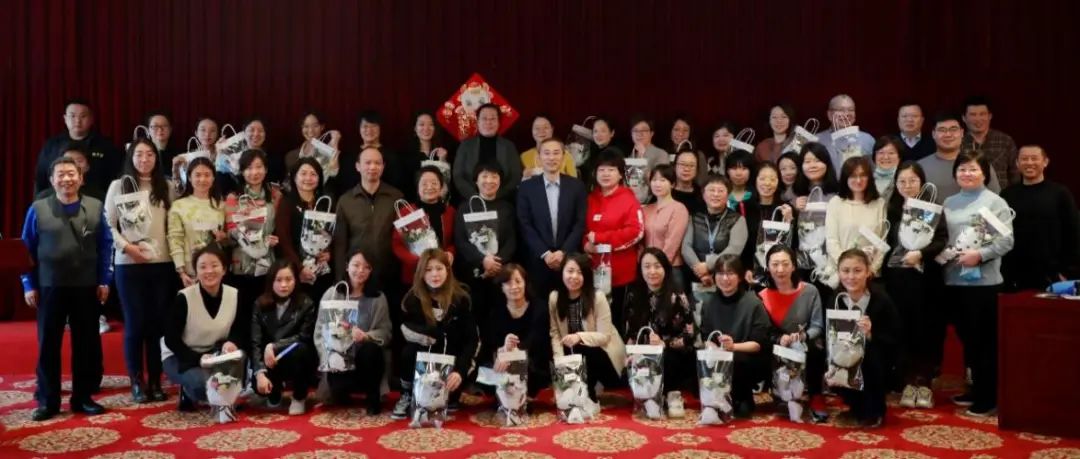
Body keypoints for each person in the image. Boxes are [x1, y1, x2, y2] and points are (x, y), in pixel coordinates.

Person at [21, 156, 112, 421]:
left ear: (81, 178)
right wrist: (28, 284)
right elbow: (25, 249)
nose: (66, 179)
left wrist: (104, 280)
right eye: (60, 174)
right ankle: (48, 400)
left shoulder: (95, 207)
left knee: (86, 343)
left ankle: (82, 397)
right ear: (52, 180)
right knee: (48, 344)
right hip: (49, 285)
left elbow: (106, 245)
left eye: (71, 174)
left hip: (86, 285)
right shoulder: (38, 209)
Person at [941, 150, 1014, 416]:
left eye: (973, 169)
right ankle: (975, 389)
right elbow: (944, 238)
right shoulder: (949, 202)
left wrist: (980, 255)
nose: (967, 173)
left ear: (984, 173)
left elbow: (1006, 241)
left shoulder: (994, 202)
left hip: (984, 283)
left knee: (985, 342)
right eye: (962, 169)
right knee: (968, 340)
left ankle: (988, 397)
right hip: (953, 281)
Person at [105, 138, 174, 403]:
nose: (144, 159)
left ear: (157, 158)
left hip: (161, 263)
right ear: (131, 157)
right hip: (129, 264)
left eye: (149, 154)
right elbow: (107, 225)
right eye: (139, 154)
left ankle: (156, 380)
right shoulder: (118, 186)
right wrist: (127, 247)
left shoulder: (166, 187)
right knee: (135, 324)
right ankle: (136, 380)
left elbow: (173, 223)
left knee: (157, 325)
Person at [883, 161, 948, 409]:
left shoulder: (932, 209)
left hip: (926, 281)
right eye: (902, 181)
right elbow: (886, 243)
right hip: (897, 281)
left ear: (921, 182)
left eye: (912, 180)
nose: (907, 185)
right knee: (902, 330)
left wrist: (921, 254)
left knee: (926, 330)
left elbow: (941, 239)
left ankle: (924, 382)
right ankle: (907, 382)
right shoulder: (891, 210)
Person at [391, 249, 479, 419]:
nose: (434, 274)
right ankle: (407, 394)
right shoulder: (412, 299)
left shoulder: (462, 298)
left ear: (447, 269)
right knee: (408, 351)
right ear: (421, 273)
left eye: (439, 268)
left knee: (450, 396)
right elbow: (402, 335)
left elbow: (472, 341)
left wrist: (460, 371)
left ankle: (451, 394)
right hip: (423, 366)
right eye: (428, 269)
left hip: (452, 366)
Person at [161, 244, 246, 420]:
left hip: (215, 354)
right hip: (181, 356)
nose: (209, 271)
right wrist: (197, 359)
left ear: (224, 269)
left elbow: (239, 328)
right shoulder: (184, 298)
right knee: (203, 386)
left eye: (214, 265)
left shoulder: (234, 295)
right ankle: (188, 391)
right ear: (196, 271)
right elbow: (171, 339)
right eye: (203, 267)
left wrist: (232, 342)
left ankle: (220, 396)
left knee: (240, 366)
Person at [831, 249, 900, 428]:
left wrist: (870, 334)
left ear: (868, 272)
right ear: (838, 272)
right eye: (845, 271)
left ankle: (875, 410)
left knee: (869, 356)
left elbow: (894, 337)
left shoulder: (881, 299)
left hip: (878, 354)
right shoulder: (836, 298)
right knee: (835, 361)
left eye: (857, 271)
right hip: (845, 353)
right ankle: (855, 406)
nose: (851, 277)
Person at [758, 245, 827, 422]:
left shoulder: (810, 291)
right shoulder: (761, 295)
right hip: (778, 344)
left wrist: (803, 336)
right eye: (775, 264)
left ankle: (816, 396)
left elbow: (818, 325)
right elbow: (764, 330)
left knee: (816, 349)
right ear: (768, 267)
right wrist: (780, 339)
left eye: (785, 264)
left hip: (804, 342)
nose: (780, 270)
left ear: (794, 266)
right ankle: (780, 393)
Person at [223, 149, 283, 350]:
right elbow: (229, 234)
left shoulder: (275, 196)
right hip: (242, 266)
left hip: (267, 266)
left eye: (258, 167)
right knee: (243, 318)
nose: (254, 172)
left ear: (266, 170)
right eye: (248, 168)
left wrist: (273, 239)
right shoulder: (233, 197)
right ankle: (243, 362)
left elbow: (281, 228)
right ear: (241, 171)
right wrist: (244, 230)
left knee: (266, 319)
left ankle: (265, 361)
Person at [698, 254, 771, 418]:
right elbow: (705, 336)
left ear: (740, 276)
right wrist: (713, 348)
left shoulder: (753, 302)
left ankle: (742, 398)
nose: (725, 278)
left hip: (746, 356)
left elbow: (759, 343)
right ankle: (718, 398)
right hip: (719, 358)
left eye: (730, 273)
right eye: (720, 273)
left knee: (737, 360)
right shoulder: (710, 302)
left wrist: (733, 347)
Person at [625, 248, 698, 410]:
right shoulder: (633, 293)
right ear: (640, 269)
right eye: (647, 266)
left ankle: (670, 393)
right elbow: (631, 331)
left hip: (673, 352)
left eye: (657, 266)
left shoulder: (677, 295)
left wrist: (664, 343)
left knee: (667, 359)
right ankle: (648, 395)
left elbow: (690, 335)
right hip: (643, 352)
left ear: (665, 268)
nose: (652, 271)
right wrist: (629, 353)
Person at [548, 253, 626, 400]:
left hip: (602, 354)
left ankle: (589, 395)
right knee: (558, 351)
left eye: (580, 272)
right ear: (562, 272)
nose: (574, 276)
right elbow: (555, 333)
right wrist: (559, 360)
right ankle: (576, 392)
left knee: (584, 348)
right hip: (572, 353)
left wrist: (579, 337)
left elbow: (604, 337)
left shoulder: (597, 297)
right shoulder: (554, 298)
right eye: (570, 271)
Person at [323, 249, 392, 414]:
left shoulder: (378, 298)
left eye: (366, 267)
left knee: (371, 350)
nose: (361, 270)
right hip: (339, 358)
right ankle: (340, 391)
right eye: (356, 265)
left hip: (365, 359)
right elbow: (320, 329)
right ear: (347, 266)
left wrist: (366, 336)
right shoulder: (333, 293)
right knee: (338, 395)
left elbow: (386, 332)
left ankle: (373, 398)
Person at [1001, 146, 1080, 289]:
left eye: (1034, 158)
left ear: (1045, 162)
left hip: (1052, 274)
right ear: (1017, 163)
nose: (1029, 163)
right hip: (1014, 274)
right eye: (1024, 159)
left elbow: (1073, 232)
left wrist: (1068, 270)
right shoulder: (1007, 195)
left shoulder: (1060, 193)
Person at [584, 152, 645, 338]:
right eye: (601, 170)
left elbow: (636, 232)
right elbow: (582, 229)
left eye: (611, 170)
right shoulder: (590, 198)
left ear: (620, 174)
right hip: (592, 270)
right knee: (594, 321)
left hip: (621, 272)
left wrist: (600, 238)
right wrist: (585, 244)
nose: (605, 174)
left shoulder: (628, 199)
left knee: (617, 320)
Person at [517, 138, 587, 296]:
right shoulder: (526, 187)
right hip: (538, 259)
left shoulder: (576, 186)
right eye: (546, 153)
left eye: (556, 153)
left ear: (563, 157)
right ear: (539, 158)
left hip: (569, 259)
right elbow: (524, 223)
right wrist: (545, 253)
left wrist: (563, 252)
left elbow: (580, 223)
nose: (551, 157)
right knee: (540, 304)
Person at [454, 163, 517, 328]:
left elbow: (512, 240)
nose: (489, 181)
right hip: (473, 274)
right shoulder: (465, 207)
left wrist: (495, 263)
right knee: (475, 318)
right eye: (484, 176)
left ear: (500, 181)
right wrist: (483, 261)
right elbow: (461, 240)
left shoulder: (507, 208)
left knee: (500, 319)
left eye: (494, 176)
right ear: (476, 180)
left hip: (500, 273)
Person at [250, 260, 317, 416]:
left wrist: (274, 346)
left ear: (296, 280)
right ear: (271, 282)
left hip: (295, 357)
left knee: (302, 349)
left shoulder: (306, 303)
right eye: (278, 280)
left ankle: (299, 397)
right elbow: (255, 342)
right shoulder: (260, 304)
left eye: (288, 279)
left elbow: (304, 336)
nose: (284, 285)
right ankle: (275, 392)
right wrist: (259, 373)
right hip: (270, 361)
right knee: (259, 386)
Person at [333, 147, 404, 289]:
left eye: (377, 163)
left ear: (383, 167)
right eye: (368, 162)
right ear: (357, 166)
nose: (373, 167)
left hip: (389, 274)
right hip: (357, 276)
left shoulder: (396, 197)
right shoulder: (346, 200)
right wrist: (340, 278)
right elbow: (340, 243)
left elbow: (405, 237)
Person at [682, 175, 748, 310]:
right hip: (696, 278)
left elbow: (734, 249)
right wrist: (701, 271)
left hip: (726, 276)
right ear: (703, 194)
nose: (716, 194)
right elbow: (685, 246)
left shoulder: (737, 219)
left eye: (721, 191)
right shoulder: (694, 217)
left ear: (728, 195)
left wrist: (708, 265)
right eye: (711, 190)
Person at [484, 264, 551, 397]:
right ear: (502, 287)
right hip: (502, 365)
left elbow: (535, 343)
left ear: (525, 283)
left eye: (518, 281)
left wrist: (510, 356)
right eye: (508, 283)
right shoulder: (496, 312)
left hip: (531, 365)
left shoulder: (539, 309)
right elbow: (490, 345)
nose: (514, 287)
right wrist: (501, 353)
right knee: (485, 370)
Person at [34, 99, 121, 198]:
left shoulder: (105, 146)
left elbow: (115, 178)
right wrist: (38, 200)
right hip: (56, 200)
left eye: (83, 116)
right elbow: (41, 177)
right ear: (65, 118)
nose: (77, 121)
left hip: (96, 199)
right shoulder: (52, 146)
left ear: (91, 119)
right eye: (72, 116)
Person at [275, 158, 336, 300]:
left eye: (313, 174)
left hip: (322, 270)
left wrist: (329, 253)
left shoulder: (326, 202)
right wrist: (299, 268)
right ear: (294, 177)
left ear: (319, 178)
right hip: (296, 271)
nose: (308, 178)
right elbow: (283, 239)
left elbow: (334, 233)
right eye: (303, 173)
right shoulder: (287, 202)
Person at [391, 166, 457, 286]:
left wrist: (450, 253)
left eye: (434, 183)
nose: (429, 187)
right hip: (414, 274)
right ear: (417, 188)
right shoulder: (406, 212)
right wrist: (419, 261)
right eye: (424, 184)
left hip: (442, 274)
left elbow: (454, 241)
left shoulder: (450, 212)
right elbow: (397, 245)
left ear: (441, 187)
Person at [167, 157, 227, 286]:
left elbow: (225, 239)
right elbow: (175, 239)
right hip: (190, 273)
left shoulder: (220, 206)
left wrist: (223, 237)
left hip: (215, 271)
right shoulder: (179, 206)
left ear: (213, 178)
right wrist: (181, 272)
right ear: (189, 177)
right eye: (198, 175)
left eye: (207, 175)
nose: (202, 179)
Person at [918, 113, 1001, 202]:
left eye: (953, 129)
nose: (948, 134)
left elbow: (995, 199)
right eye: (942, 130)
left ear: (962, 133)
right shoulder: (920, 167)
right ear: (933, 134)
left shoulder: (979, 164)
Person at [825, 157, 887, 275]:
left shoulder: (879, 203)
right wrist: (847, 268)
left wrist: (871, 269)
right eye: (853, 176)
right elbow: (831, 240)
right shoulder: (836, 202)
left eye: (863, 175)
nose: (858, 180)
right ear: (845, 178)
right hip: (841, 272)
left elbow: (882, 241)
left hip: (869, 273)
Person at [453, 103, 522, 200]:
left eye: (493, 119)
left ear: (498, 122)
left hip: (502, 200)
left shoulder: (508, 146)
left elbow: (516, 176)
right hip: (471, 199)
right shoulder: (465, 146)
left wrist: (496, 196)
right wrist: (475, 196)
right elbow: (458, 176)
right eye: (484, 118)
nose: (488, 122)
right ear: (477, 122)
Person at [743, 161, 795, 282]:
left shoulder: (785, 209)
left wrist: (789, 221)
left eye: (772, 179)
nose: (767, 183)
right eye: (762, 179)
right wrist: (746, 269)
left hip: (780, 271)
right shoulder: (744, 207)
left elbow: (792, 244)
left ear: (778, 181)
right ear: (755, 180)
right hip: (751, 271)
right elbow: (743, 244)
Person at [643, 165, 691, 290]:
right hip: (647, 270)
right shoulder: (646, 209)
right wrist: (645, 264)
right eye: (654, 180)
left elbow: (672, 243)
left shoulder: (679, 208)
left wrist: (658, 266)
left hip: (670, 268)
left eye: (663, 180)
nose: (657, 184)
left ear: (672, 184)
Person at [960, 96, 1019, 186]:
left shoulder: (1005, 141)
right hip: (967, 193)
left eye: (982, 114)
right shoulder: (958, 142)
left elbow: (1015, 175)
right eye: (973, 115)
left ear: (990, 116)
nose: (978, 119)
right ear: (964, 118)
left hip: (1001, 194)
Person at [399, 111, 453, 202]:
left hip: (439, 203)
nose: (426, 128)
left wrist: (443, 161)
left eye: (431, 124)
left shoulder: (443, 152)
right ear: (415, 128)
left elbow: (447, 183)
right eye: (422, 124)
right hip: (415, 204)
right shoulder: (406, 156)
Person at [283, 111, 341, 193]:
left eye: (315, 126)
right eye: (306, 126)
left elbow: (333, 174)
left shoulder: (326, 152)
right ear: (301, 128)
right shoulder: (291, 156)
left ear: (322, 127)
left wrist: (335, 142)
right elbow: (287, 182)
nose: (310, 130)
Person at [815, 94, 875, 174]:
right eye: (841, 109)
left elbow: (874, 171)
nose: (847, 114)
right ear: (829, 115)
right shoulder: (817, 140)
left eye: (851, 110)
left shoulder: (867, 139)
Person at [338, 110, 388, 194]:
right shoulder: (349, 155)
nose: (369, 130)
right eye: (365, 126)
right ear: (359, 129)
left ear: (380, 128)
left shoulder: (391, 156)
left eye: (374, 126)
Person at [626, 115, 671, 203]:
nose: (639, 134)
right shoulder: (630, 156)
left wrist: (641, 160)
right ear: (631, 134)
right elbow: (631, 183)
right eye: (635, 131)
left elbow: (660, 184)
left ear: (651, 133)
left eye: (644, 130)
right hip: (630, 202)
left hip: (652, 202)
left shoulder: (661, 154)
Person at [520, 114, 576, 179]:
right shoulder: (524, 156)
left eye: (545, 127)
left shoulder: (566, 156)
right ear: (532, 131)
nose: (541, 131)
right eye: (537, 128)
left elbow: (574, 182)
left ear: (552, 129)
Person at [144, 112, 185, 178]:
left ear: (170, 129)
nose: (160, 129)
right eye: (155, 126)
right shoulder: (142, 154)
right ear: (148, 130)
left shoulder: (180, 153)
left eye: (164, 125)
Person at [872, 136, 904, 201]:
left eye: (891, 153)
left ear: (899, 157)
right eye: (881, 153)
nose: (886, 157)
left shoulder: (906, 180)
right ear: (874, 156)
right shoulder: (865, 179)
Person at [724, 150, 757, 215]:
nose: (738, 173)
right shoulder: (721, 194)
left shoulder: (757, 195)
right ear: (727, 171)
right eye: (734, 168)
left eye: (744, 168)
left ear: (750, 171)